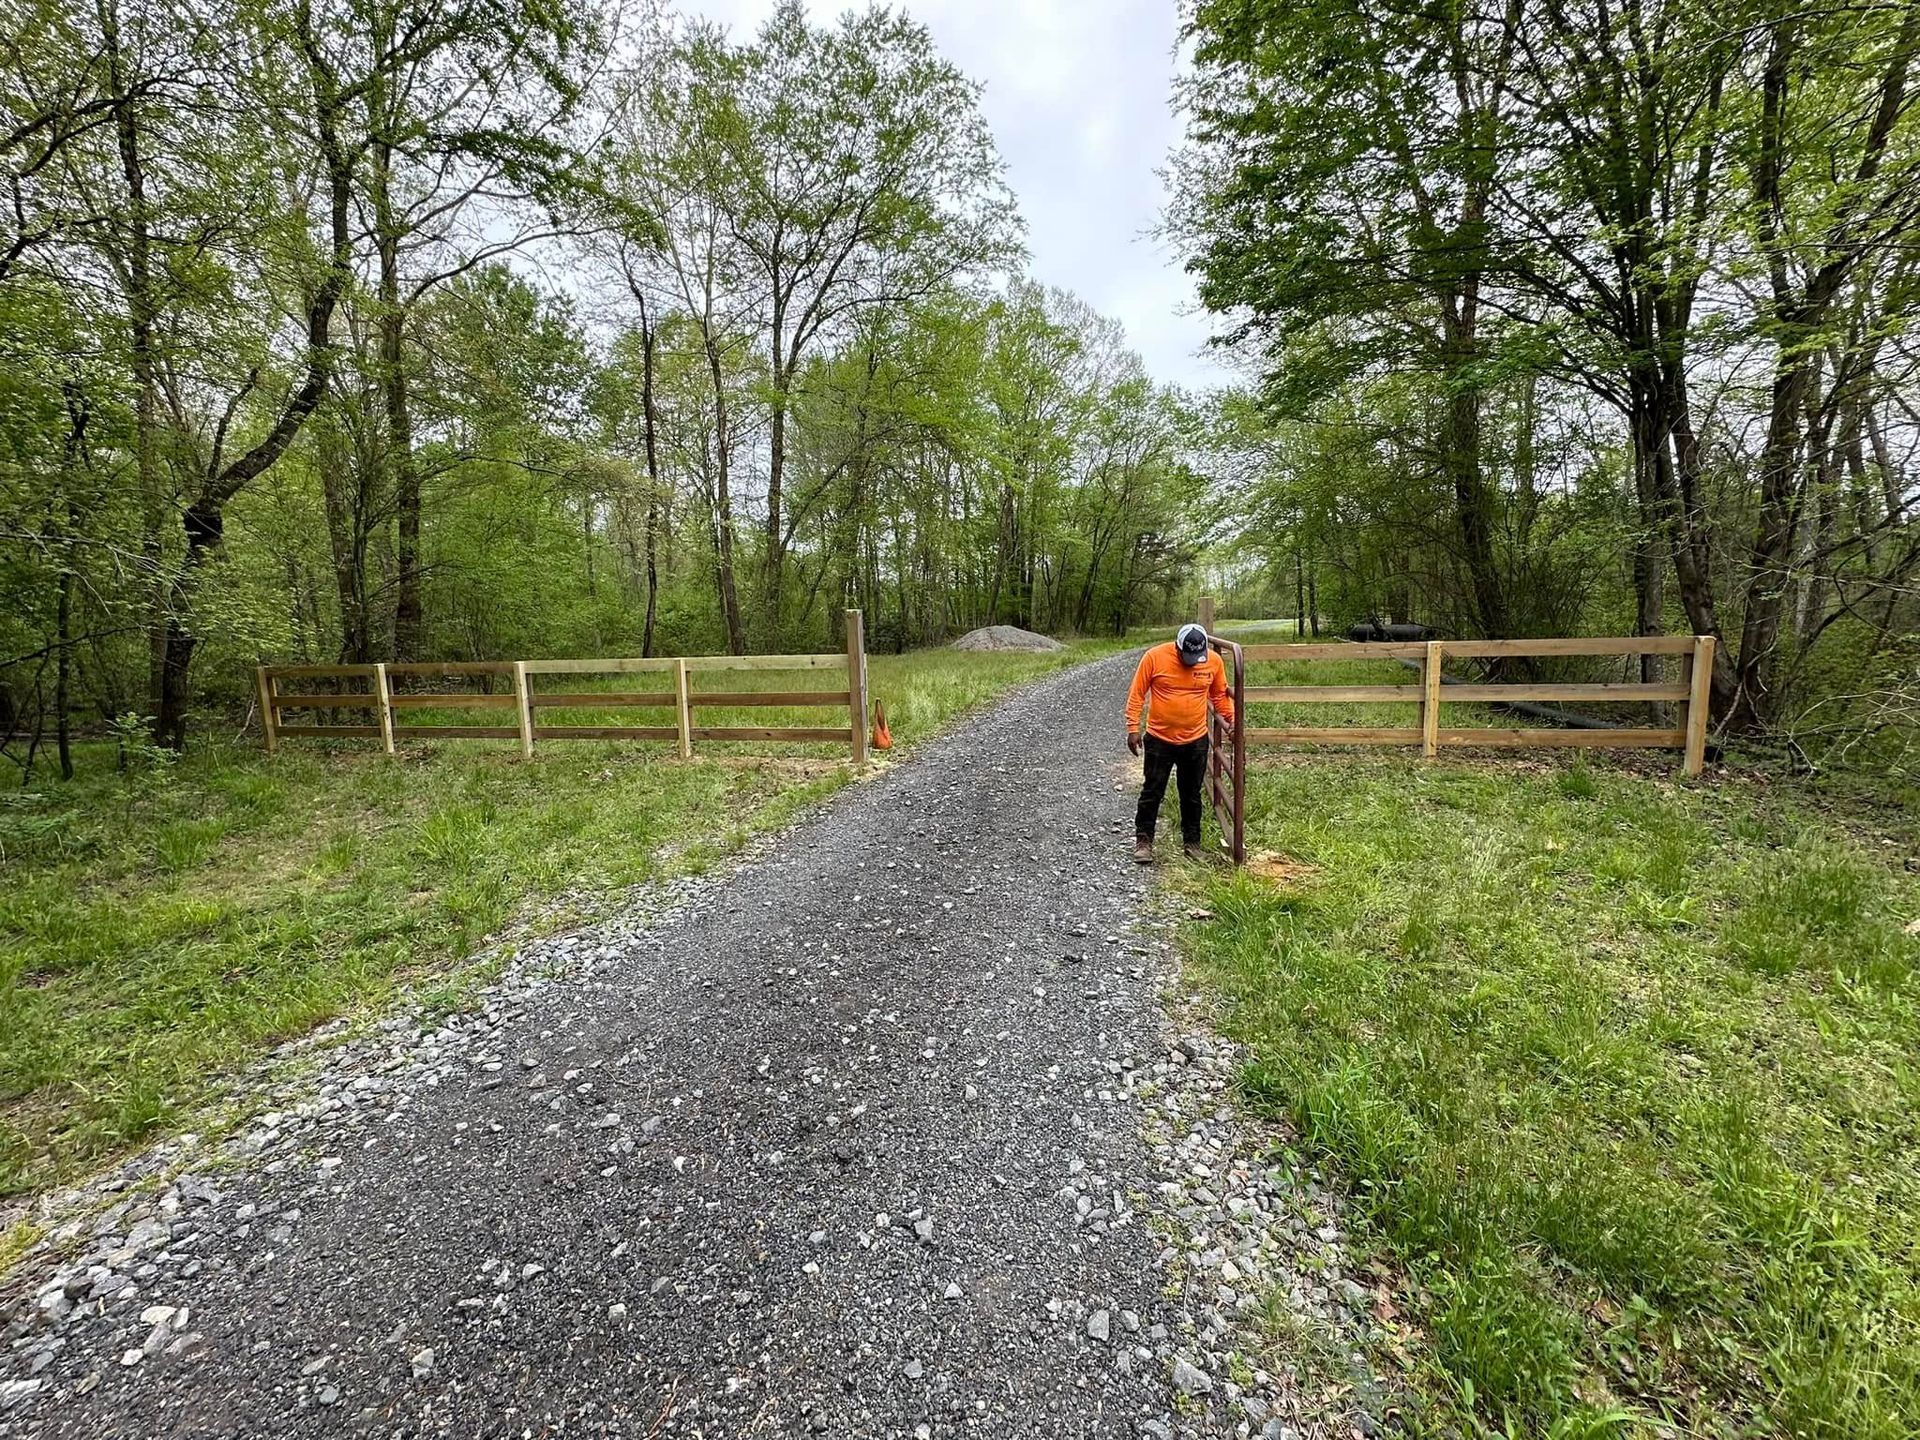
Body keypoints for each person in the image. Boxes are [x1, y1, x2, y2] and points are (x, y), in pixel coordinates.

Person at [1125, 622, 1234, 864]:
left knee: (1191, 794)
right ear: (1177, 646)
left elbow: (1219, 695)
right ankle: (1144, 841)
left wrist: (1231, 719)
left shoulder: (1214, 662)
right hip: (1159, 739)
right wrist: (1133, 728)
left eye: (1196, 656)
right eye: (1187, 655)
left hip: (1195, 740)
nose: (1192, 661)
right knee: (1152, 791)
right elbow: (1137, 693)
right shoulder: (1154, 657)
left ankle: (1192, 843)